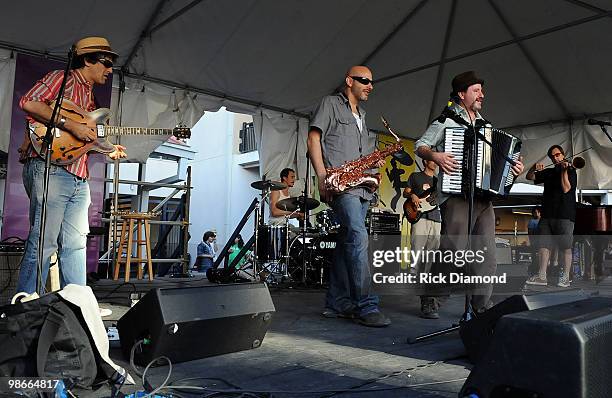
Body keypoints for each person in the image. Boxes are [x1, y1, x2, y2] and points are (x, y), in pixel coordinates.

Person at [16, 36, 127, 294]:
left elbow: (83, 140)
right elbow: (29, 102)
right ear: (87, 60)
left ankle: (76, 303)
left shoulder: (91, 99)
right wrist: (72, 125)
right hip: (51, 170)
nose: (110, 70)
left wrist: (108, 148)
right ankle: (26, 302)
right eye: (106, 62)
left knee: (75, 244)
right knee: (44, 241)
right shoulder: (61, 78)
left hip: (78, 175)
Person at [414, 71, 524, 318]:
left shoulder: (485, 126)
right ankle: (432, 296)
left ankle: (481, 305)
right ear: (462, 94)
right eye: (476, 90)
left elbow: (500, 164)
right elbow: (419, 145)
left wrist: (513, 168)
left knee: (487, 254)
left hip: (484, 199)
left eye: (481, 90)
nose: (482, 95)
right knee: (453, 250)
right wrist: (436, 156)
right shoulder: (447, 120)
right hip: (457, 196)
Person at [307, 65, 390, 327]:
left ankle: (337, 302)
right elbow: (313, 140)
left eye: (371, 81)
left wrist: (374, 174)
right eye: (364, 80)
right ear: (348, 81)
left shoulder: (363, 116)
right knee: (357, 236)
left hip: (362, 188)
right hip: (340, 186)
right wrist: (322, 177)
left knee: (346, 244)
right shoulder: (330, 104)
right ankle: (366, 305)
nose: (369, 85)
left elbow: (364, 155)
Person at [525, 145, 577, 287]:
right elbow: (529, 176)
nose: (556, 158)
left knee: (565, 247)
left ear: (563, 154)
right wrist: (533, 167)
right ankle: (542, 276)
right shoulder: (548, 172)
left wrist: (564, 171)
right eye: (553, 156)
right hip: (547, 214)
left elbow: (566, 188)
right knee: (543, 246)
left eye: (558, 155)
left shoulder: (571, 171)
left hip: (564, 215)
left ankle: (565, 277)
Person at [402, 159, 442, 318]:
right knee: (417, 251)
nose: (436, 163)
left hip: (437, 218)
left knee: (432, 257)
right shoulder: (416, 176)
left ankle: (426, 288)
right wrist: (412, 195)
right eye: (433, 160)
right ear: (426, 161)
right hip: (420, 218)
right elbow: (405, 192)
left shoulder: (439, 180)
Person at [527, 207, 541, 277]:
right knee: (535, 258)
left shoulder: (542, 221)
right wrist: (531, 242)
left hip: (542, 243)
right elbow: (530, 233)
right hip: (535, 243)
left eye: (537, 212)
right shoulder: (532, 221)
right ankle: (534, 272)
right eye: (534, 213)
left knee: (539, 258)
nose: (536, 214)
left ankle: (538, 272)